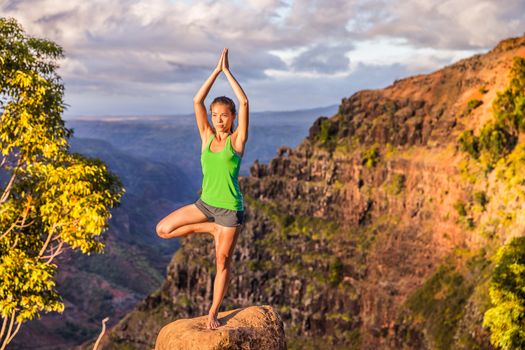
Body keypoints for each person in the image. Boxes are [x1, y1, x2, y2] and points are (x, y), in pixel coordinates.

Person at [155, 47, 249, 330]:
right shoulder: (207, 136)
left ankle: (213, 312)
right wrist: (216, 71)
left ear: (232, 117)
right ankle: (208, 229)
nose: (219, 119)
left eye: (224, 115)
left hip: (230, 211)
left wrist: (229, 73)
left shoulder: (237, 142)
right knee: (162, 230)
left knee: (221, 262)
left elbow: (244, 102)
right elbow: (197, 100)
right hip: (205, 205)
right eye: (216, 114)